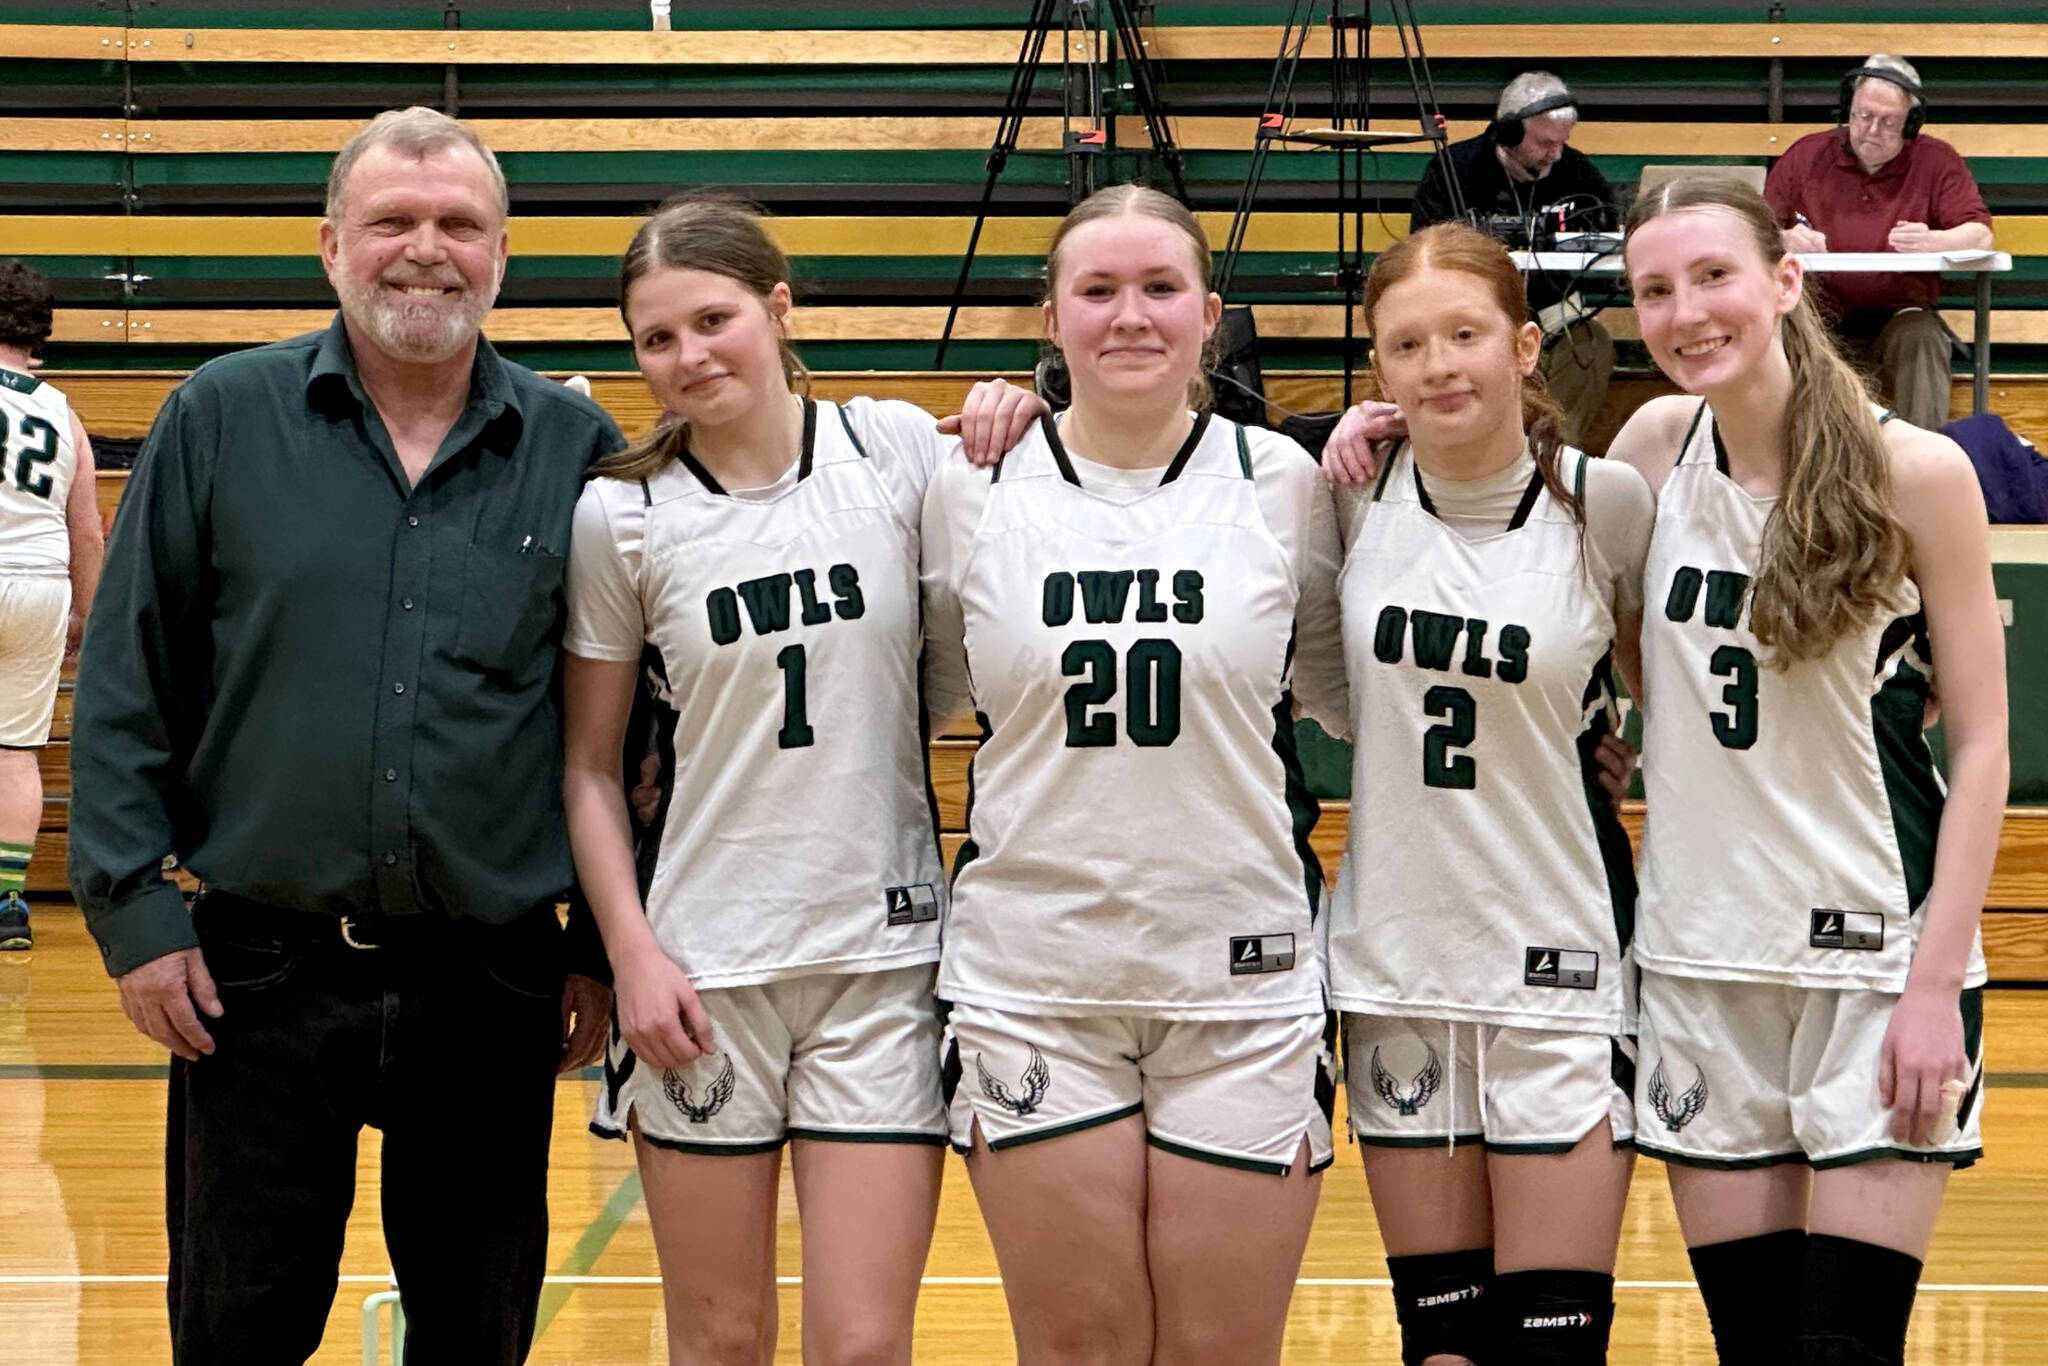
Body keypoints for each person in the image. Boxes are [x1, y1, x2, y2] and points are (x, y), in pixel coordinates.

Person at [67, 107, 620, 1363]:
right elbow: (124, 677)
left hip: (490, 981)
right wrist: (135, 917)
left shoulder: (577, 452)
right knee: (236, 1326)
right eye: (392, 221)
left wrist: (594, 944)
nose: (425, 250)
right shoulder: (219, 416)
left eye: (458, 225)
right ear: (331, 245)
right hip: (255, 977)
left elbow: (619, 727)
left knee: (477, 1330)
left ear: (500, 254)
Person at [560, 196, 1042, 1366]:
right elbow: (585, 765)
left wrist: (1017, 411)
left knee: (865, 1342)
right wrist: (629, 952)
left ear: (778, 308)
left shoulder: (888, 449)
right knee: (718, 1339)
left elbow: (1040, 490)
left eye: (712, 318)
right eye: (654, 338)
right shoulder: (619, 513)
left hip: (878, 963)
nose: (687, 357)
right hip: (700, 970)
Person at [921, 183, 1346, 1366]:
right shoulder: (969, 484)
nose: (1128, 316)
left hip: (1239, 974)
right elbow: (919, 698)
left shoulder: (1282, 481)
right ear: (1048, 319)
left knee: (1222, 1351)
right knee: (1079, 1349)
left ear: (1207, 313)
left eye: (1159, 289)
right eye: (1095, 291)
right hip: (1032, 975)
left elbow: (1349, 702)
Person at [1610, 174, 2005, 1366]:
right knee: (1753, 1346)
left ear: (1786, 280)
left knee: (1839, 1349)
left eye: (1712, 276)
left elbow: (1983, 743)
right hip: (1697, 966)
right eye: (1654, 290)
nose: (1686, 312)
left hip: (1874, 969)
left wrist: (1932, 984)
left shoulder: (1915, 472)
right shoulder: (1645, 449)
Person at [1319, 223, 1651, 1366]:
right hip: (1398, 961)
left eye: (1463, 335)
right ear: (1378, 369)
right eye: (1406, 345)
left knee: (1550, 1346)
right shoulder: (1345, 500)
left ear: (1521, 347)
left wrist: (1626, 744)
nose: (1437, 365)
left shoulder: (1604, 505)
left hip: (1555, 958)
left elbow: (1675, 679)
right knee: (1444, 1349)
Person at [1765, 54, 1995, 431]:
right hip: (1815, 320)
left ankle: (1922, 467)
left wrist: (1936, 240)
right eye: (1861, 116)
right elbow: (1754, 234)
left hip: (1898, 319)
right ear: (1847, 110)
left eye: (1888, 122)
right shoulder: (1807, 155)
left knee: (1922, 335)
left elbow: (1980, 235)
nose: (1871, 129)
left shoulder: (1936, 160)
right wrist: (1784, 238)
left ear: (1911, 124)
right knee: (1777, 332)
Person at [1409, 72, 1619, 448]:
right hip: (1473, 313)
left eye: (1562, 142)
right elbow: (1426, 251)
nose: (1556, 153)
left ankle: (1552, 458)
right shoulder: (1453, 171)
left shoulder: (1577, 171)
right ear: (1508, 133)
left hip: (1554, 312)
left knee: (1591, 346)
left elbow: (1606, 228)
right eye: (1544, 143)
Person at [0, 261, 101, 952]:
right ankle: (8, 903)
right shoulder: (61, 411)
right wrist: (86, 617)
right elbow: (87, 530)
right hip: (40, 580)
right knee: (15, 752)